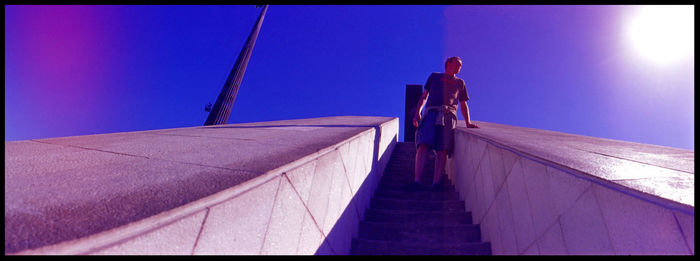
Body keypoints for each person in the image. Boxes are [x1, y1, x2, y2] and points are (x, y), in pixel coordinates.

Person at [409, 56, 479, 191]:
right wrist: (418, 111)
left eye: (461, 65)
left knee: (443, 149)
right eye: (458, 64)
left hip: (449, 116)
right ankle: (417, 180)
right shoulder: (434, 76)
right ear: (449, 63)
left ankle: (436, 183)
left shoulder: (460, 83)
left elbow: (463, 104)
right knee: (423, 144)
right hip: (431, 113)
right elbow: (425, 96)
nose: (460, 67)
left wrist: (468, 122)